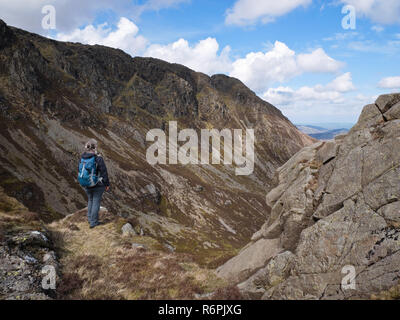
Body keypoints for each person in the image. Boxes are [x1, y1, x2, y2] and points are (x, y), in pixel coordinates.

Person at [79, 139, 110, 228]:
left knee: (90, 200)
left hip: (86, 183)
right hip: (97, 184)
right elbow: (104, 171)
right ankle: (94, 223)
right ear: (95, 147)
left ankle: (90, 219)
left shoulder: (83, 157)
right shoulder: (98, 158)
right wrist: (106, 184)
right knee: (96, 201)